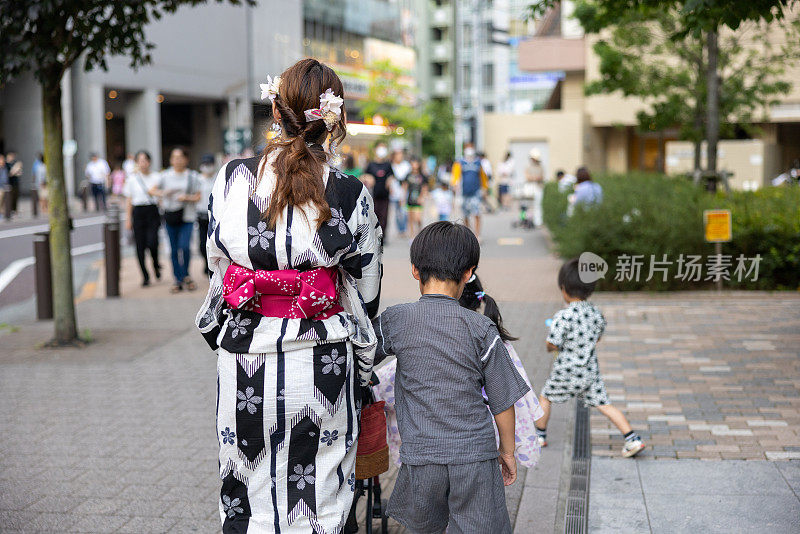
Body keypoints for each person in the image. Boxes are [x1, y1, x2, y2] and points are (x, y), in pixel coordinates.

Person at [195, 58, 382, 533]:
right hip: (320, 355)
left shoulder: (233, 178)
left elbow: (217, 261)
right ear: (333, 119)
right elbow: (367, 287)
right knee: (319, 479)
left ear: (275, 111)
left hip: (244, 355)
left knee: (245, 477)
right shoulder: (346, 191)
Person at [372, 221, 529, 534]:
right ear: (469, 273)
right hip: (475, 456)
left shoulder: (395, 320)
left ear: (415, 270)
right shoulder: (481, 328)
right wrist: (507, 452)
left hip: (422, 457)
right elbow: (502, 402)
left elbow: (361, 357)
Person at [373, 271, 543, 470]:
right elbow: (507, 396)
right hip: (482, 443)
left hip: (431, 446)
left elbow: (384, 386)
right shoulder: (492, 336)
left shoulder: (423, 336)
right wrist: (508, 450)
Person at [535, 258, 645, 458]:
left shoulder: (563, 316)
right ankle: (632, 438)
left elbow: (552, 343)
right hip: (589, 372)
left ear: (563, 289)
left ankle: (539, 436)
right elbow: (598, 336)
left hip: (566, 371)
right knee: (604, 404)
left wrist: (550, 347)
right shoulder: (596, 313)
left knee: (546, 397)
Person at [151, 147, 201, 293]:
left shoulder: (192, 176)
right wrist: (163, 193)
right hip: (170, 216)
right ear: (171, 160)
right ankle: (177, 279)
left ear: (186, 159)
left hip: (187, 216)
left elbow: (199, 196)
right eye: (174, 157)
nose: (177, 160)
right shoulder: (165, 176)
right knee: (173, 249)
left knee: (185, 247)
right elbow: (151, 190)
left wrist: (186, 197)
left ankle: (186, 274)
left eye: (180, 157)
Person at [123, 150, 162, 286]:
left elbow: (161, 196)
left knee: (153, 242)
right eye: (139, 161)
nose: (142, 163)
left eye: (145, 160)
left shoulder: (157, 177)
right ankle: (145, 275)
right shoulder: (132, 179)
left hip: (152, 210)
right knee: (140, 246)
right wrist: (128, 219)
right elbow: (129, 200)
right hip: (138, 212)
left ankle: (156, 264)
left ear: (149, 162)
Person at [451, 142, 489, 238]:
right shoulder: (460, 162)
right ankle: (468, 234)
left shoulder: (478, 163)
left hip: (475, 192)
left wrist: (485, 188)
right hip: (464, 193)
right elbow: (455, 176)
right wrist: (455, 186)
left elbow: (483, 177)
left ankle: (477, 235)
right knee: (466, 214)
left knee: (477, 213)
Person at [362, 141, 393, 239]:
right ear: (375, 150)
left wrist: (390, 180)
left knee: (384, 216)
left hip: (385, 194)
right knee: (374, 215)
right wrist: (368, 178)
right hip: (373, 194)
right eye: (380, 148)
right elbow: (363, 176)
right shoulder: (371, 164)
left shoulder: (387, 164)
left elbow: (392, 176)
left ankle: (383, 236)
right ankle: (375, 235)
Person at [196, 153, 216, 277]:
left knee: (213, 243)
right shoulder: (198, 179)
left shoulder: (218, 177)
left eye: (209, 164)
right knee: (202, 244)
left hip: (215, 216)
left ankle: (212, 266)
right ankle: (205, 261)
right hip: (201, 215)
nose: (207, 167)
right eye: (205, 164)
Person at [404, 157, 428, 239]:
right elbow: (405, 187)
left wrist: (422, 197)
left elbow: (425, 187)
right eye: (413, 163)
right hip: (410, 199)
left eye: (416, 163)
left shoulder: (422, 176)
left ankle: (420, 232)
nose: (414, 165)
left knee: (418, 218)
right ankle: (412, 236)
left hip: (418, 199)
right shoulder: (408, 175)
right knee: (410, 219)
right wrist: (403, 198)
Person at [390, 148, 410, 237]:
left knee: (404, 211)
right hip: (394, 192)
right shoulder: (391, 165)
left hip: (404, 191)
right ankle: (400, 229)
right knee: (397, 212)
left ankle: (404, 228)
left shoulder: (406, 165)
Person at [525, 148, 545, 228]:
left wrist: (534, 178)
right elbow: (527, 177)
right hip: (530, 188)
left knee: (538, 205)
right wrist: (535, 178)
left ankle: (538, 222)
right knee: (528, 206)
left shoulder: (540, 167)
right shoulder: (528, 166)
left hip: (538, 187)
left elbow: (541, 177)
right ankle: (528, 221)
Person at [6, 150, 23, 215]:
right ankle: (9, 210)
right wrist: (15, 169)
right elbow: (9, 174)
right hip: (10, 183)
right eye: (10, 156)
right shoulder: (6, 165)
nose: (12, 158)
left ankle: (15, 210)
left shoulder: (15, 163)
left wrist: (18, 169)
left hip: (16, 182)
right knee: (10, 197)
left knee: (16, 197)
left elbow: (19, 173)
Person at [0, 154, 8, 220]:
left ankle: (2, 214)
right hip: (0, 187)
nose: (3, 161)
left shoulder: (4, 168)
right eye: (2, 159)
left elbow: (5, 178)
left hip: (3, 187)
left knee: (2, 202)